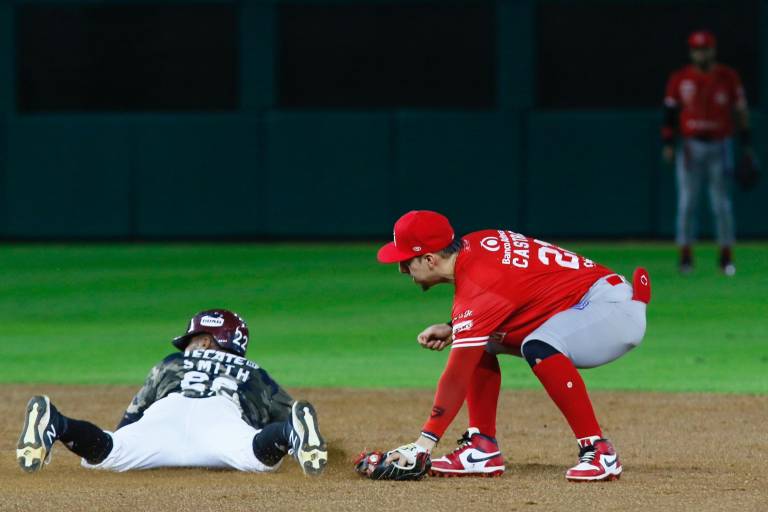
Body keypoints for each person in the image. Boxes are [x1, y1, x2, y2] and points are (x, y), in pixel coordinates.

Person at [376, 210, 650, 482]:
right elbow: (516, 287)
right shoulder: (477, 243)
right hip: (588, 302)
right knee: (476, 339)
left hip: (612, 311)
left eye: (406, 261)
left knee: (538, 345)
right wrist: (453, 326)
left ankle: (599, 450)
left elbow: (457, 374)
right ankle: (481, 449)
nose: (401, 268)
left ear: (429, 259)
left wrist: (424, 443)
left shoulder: (480, 281)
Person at [16, 309, 328, 476]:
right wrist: (287, 430)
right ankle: (291, 432)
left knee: (110, 450)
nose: (187, 345)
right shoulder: (253, 371)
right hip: (221, 418)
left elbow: (131, 419)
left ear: (205, 340)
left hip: (165, 414)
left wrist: (130, 440)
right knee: (257, 456)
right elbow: (282, 410)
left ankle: (57, 423)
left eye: (191, 339)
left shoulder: (173, 362)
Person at [662, 30, 752, 275]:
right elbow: (669, 113)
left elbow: (741, 110)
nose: (701, 52)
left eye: (705, 48)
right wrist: (668, 143)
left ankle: (725, 256)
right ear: (691, 52)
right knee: (687, 203)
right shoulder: (680, 78)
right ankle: (685, 256)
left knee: (721, 204)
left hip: (720, 146)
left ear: (713, 50)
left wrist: (746, 145)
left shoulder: (727, 77)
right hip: (691, 146)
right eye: (696, 49)